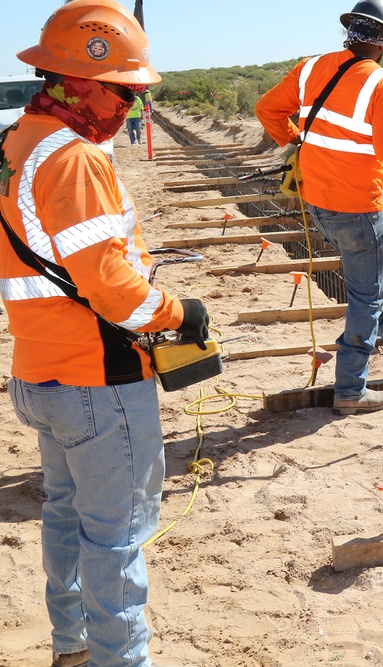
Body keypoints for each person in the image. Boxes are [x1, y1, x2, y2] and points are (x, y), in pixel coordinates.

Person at [0, 2, 211, 666]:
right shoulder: (76, 159)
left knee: (65, 516)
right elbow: (112, 288)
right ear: (77, 80)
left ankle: (74, 648)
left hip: (38, 373)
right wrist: (182, 314)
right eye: (124, 90)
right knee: (116, 536)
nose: (131, 105)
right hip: (98, 381)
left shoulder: (17, 142)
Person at [255, 0, 383, 416]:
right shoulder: (382, 82)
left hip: (318, 200)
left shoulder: (311, 67)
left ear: (349, 32)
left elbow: (266, 109)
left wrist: (296, 139)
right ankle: (350, 388)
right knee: (367, 295)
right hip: (357, 206)